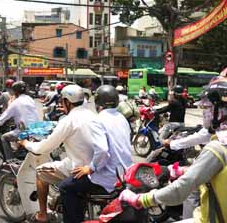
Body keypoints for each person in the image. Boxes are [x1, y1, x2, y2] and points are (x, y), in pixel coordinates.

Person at [120, 74, 227, 223]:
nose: (204, 113)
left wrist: (140, 199)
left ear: (221, 111)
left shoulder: (218, 148)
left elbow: (180, 190)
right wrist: (183, 170)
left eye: (208, 108)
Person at [19, 85, 99, 223]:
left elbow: (43, 148)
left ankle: (43, 214)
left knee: (40, 172)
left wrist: (26, 144)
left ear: (67, 102)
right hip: (96, 166)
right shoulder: (92, 115)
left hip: (77, 168)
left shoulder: (68, 120)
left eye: (62, 101)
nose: (61, 104)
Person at [58, 85, 132, 223]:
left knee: (65, 187)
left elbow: (103, 150)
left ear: (97, 102)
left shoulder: (98, 120)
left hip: (108, 179)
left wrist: (90, 168)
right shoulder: (122, 119)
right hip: (125, 175)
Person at [0, 81, 39, 162]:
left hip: (24, 130)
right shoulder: (30, 99)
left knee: (3, 138)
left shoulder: (15, 102)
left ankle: (10, 160)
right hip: (36, 128)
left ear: (15, 91)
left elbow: (6, 114)